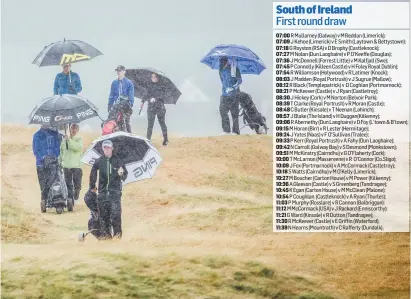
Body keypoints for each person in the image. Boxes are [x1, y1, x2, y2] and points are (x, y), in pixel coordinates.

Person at [89, 140, 128, 239]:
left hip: (115, 194)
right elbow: (93, 172)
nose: (106, 149)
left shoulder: (118, 161)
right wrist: (92, 186)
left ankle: (117, 237)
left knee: (116, 216)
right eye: (105, 147)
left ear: (112, 148)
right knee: (104, 218)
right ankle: (106, 237)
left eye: (108, 147)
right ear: (102, 149)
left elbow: (125, 176)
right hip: (102, 194)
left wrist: (121, 174)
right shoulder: (99, 160)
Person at [32, 124, 62, 203]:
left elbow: (58, 147)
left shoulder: (54, 134)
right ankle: (44, 199)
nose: (46, 124)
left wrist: (54, 156)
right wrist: (43, 157)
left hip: (53, 162)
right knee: (43, 184)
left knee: (54, 181)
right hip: (41, 164)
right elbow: (36, 150)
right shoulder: (37, 135)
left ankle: (55, 197)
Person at [140, 72, 169, 146]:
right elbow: (146, 94)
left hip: (160, 108)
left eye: (154, 77)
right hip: (151, 108)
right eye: (152, 77)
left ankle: (165, 139)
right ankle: (148, 141)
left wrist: (156, 99)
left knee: (162, 123)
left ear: (158, 77)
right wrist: (142, 101)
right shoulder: (149, 85)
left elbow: (163, 96)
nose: (153, 78)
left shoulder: (162, 86)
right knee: (150, 125)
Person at [59, 123, 83, 203]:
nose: (74, 130)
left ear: (78, 130)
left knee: (77, 185)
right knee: (68, 184)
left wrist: (69, 140)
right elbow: (62, 151)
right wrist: (60, 161)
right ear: (70, 129)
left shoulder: (79, 139)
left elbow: (77, 148)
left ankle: (76, 194)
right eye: (72, 128)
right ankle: (70, 199)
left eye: (75, 128)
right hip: (66, 165)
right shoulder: (65, 139)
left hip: (76, 166)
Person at [218, 56, 242, 135]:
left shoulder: (234, 69)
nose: (221, 63)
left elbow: (239, 81)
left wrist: (232, 88)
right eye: (220, 61)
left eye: (222, 61)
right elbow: (222, 80)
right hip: (224, 94)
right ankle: (226, 130)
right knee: (222, 110)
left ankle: (236, 131)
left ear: (227, 61)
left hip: (234, 94)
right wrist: (225, 88)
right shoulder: (220, 70)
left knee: (234, 113)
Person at [108, 65, 135, 133]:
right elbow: (111, 95)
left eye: (120, 71)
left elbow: (131, 96)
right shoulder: (114, 83)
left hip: (126, 106)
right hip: (116, 107)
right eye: (117, 71)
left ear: (124, 71)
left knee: (126, 123)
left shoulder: (129, 83)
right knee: (117, 123)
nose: (118, 72)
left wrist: (130, 105)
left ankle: (130, 139)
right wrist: (110, 106)